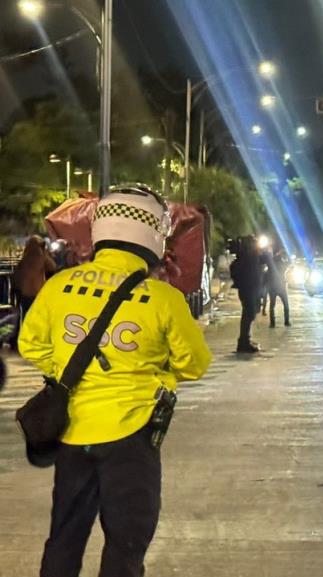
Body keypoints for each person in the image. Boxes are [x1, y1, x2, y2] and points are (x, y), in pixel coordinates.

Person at [18, 183, 211, 577]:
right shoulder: (163, 298)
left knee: (64, 538)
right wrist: (152, 369)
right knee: (126, 544)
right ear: (153, 234)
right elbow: (194, 365)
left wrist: (65, 369)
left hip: (72, 433)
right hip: (132, 436)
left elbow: (31, 344)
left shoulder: (60, 286)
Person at [230, 235, 263, 353]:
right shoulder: (248, 257)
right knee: (248, 315)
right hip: (249, 289)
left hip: (249, 289)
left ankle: (245, 340)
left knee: (249, 314)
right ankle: (244, 342)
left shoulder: (250, 256)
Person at [13, 235, 56, 321]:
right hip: (37, 293)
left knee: (26, 317)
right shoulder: (42, 258)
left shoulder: (23, 261)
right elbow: (53, 268)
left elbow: (16, 279)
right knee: (39, 318)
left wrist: (16, 295)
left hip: (25, 293)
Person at [264, 245, 290, 327]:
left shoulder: (271, 264)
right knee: (286, 305)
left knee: (272, 305)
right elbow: (288, 262)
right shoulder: (282, 264)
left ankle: (272, 323)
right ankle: (286, 321)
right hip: (281, 287)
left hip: (272, 287)